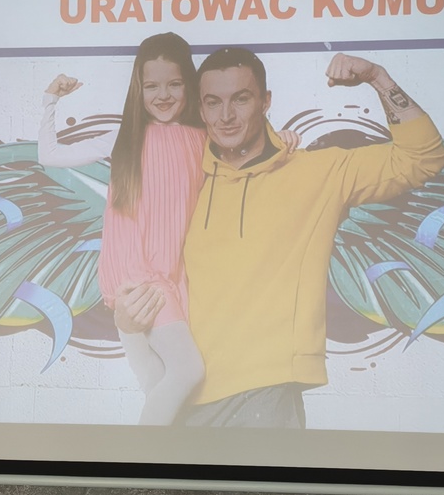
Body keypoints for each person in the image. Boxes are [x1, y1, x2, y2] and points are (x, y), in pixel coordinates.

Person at [115, 48, 444, 428]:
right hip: (182, 401)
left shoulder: (318, 172)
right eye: (213, 102)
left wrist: (378, 78)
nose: (226, 116)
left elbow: (424, 158)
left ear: (266, 102)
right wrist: (128, 323)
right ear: (201, 109)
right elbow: (143, 264)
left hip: (264, 396)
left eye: (241, 99)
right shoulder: (186, 178)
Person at [38, 33, 300, 426]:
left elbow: (246, 143)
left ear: (189, 85)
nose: (163, 95)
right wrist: (50, 101)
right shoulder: (126, 137)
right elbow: (49, 154)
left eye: (174, 84)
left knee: (158, 386)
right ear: (138, 88)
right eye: (152, 86)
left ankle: (155, 461)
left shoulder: (203, 139)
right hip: (140, 275)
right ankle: (140, 458)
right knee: (188, 372)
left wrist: (282, 139)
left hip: (175, 276)